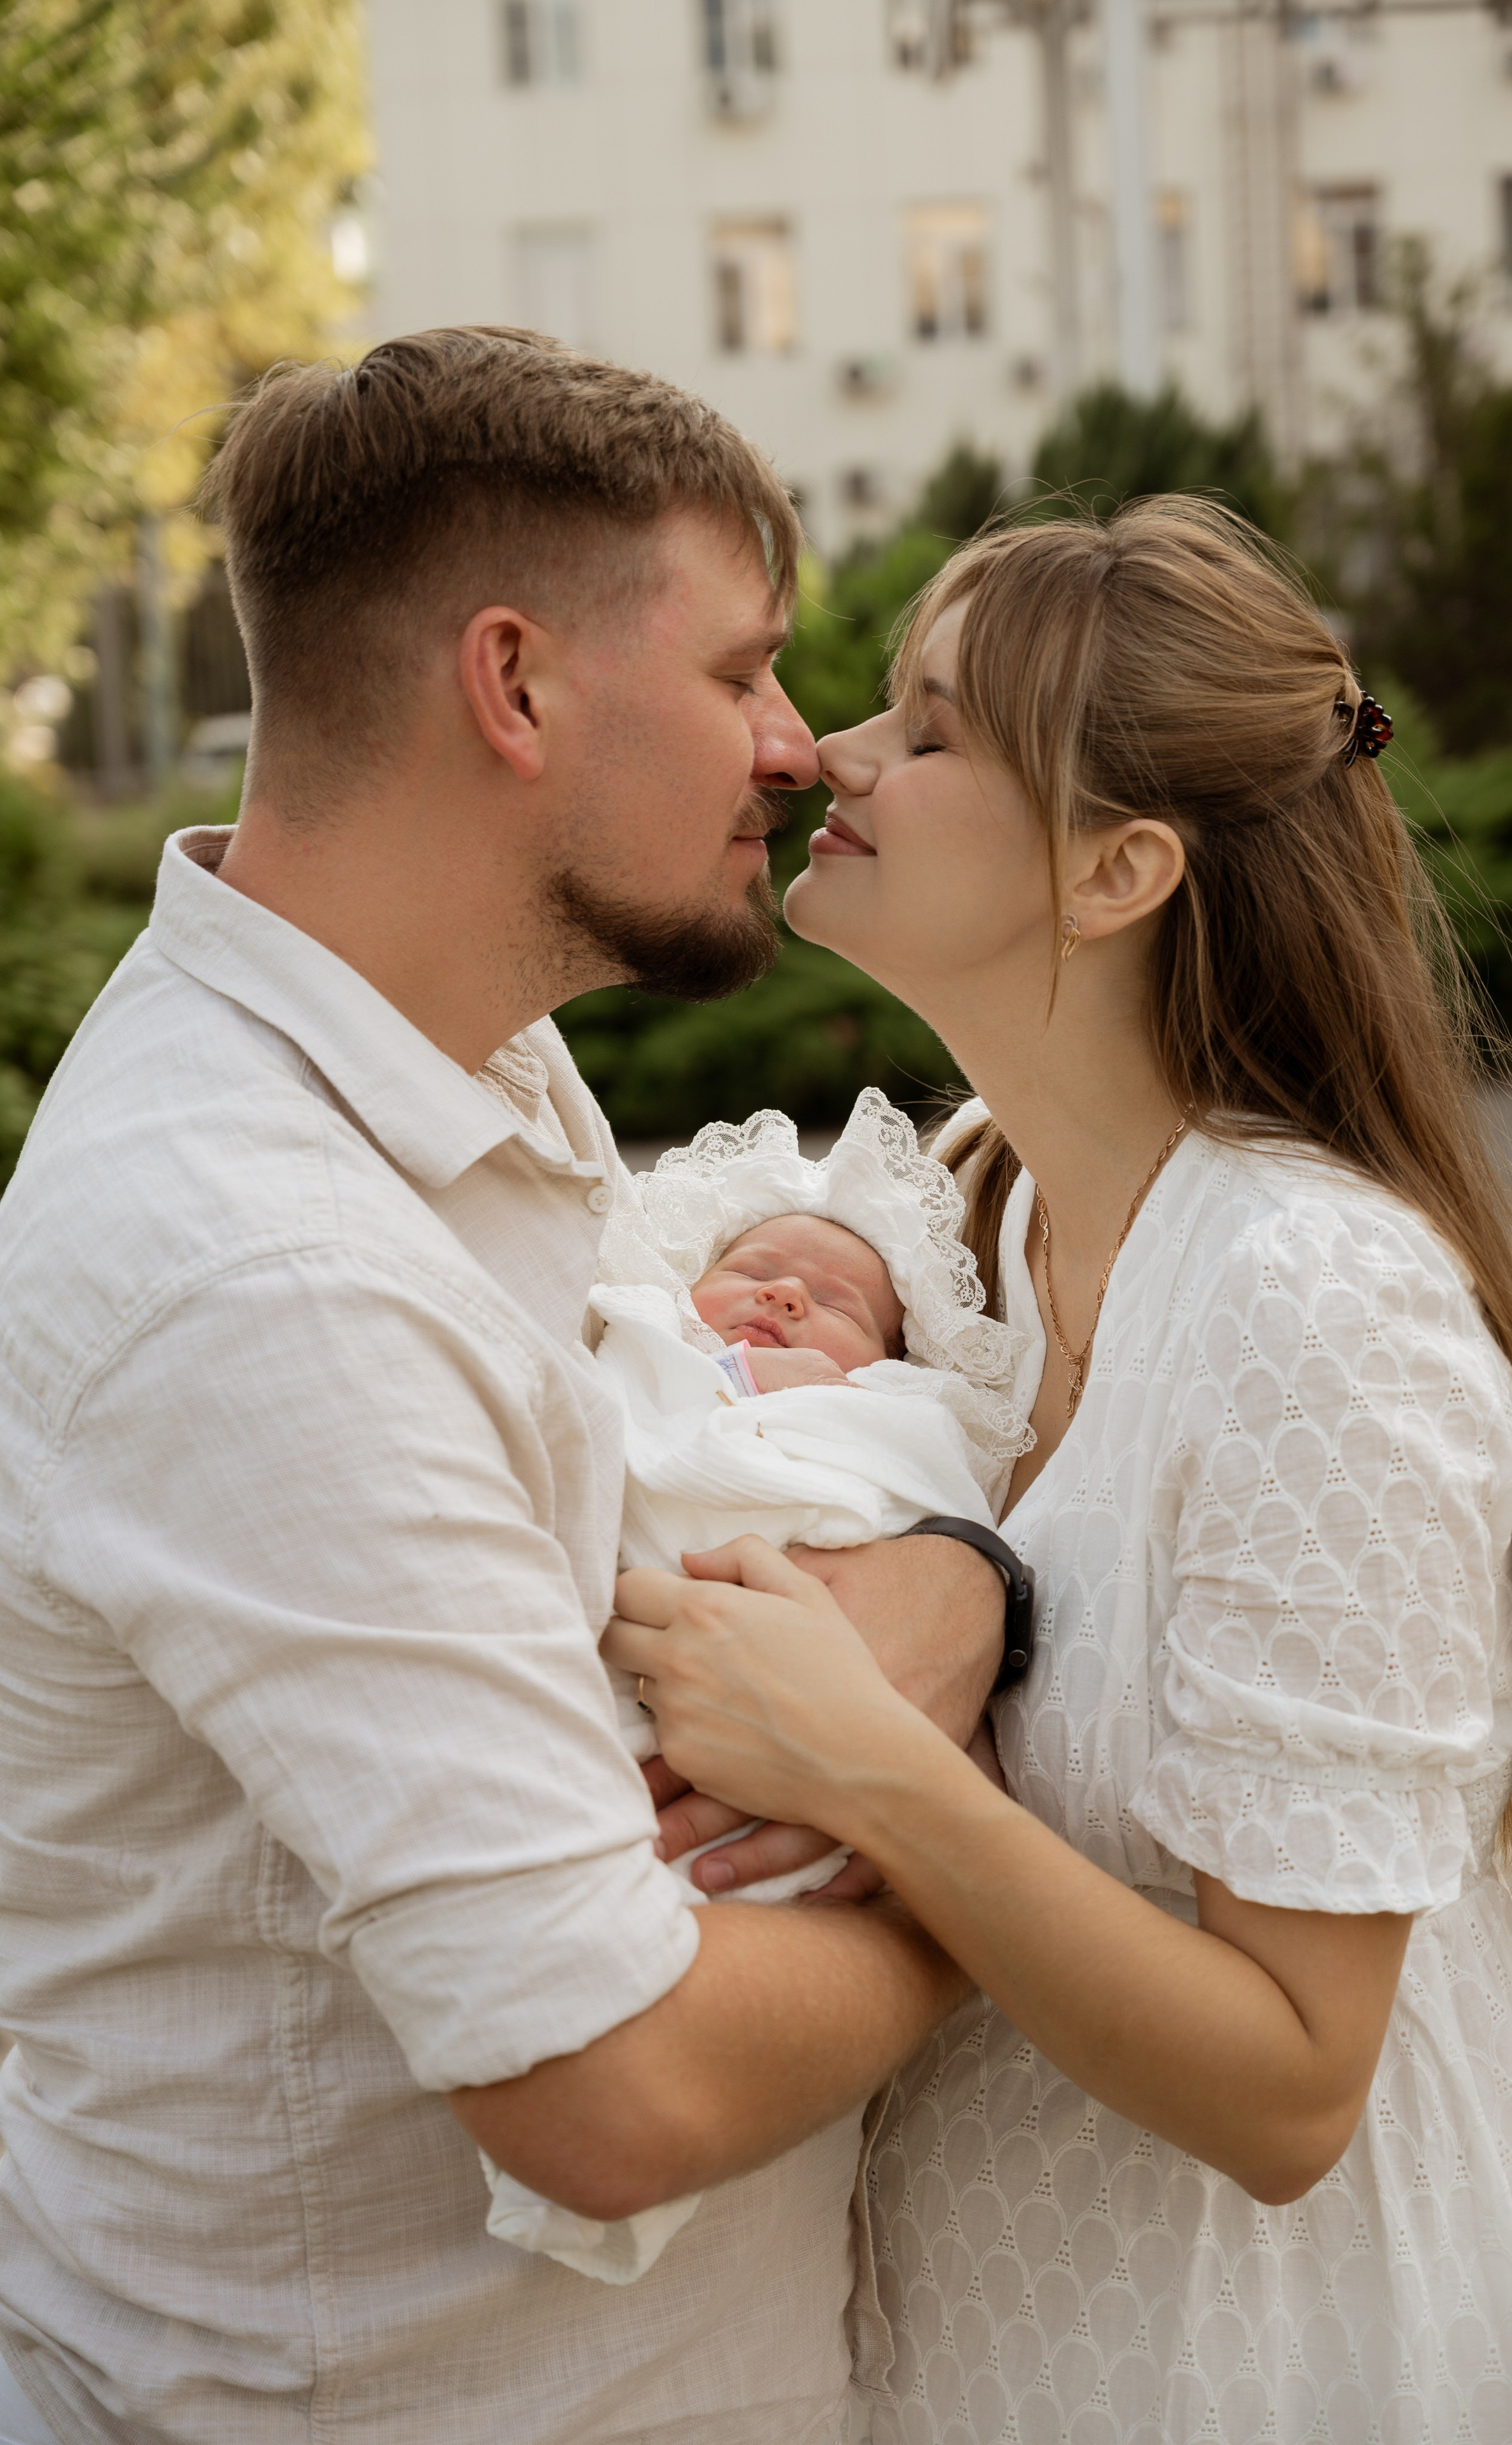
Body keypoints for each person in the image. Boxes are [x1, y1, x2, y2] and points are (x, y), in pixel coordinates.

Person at [0, 330, 1015, 2445]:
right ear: (518, 684)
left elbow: (690, 1449)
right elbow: (610, 2081)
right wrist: (1005, 1877)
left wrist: (954, 1573)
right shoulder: (259, 1268)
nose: (795, 746)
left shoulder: (452, 1045)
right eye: (739, 669)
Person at [611, 501, 1512, 2441]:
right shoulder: (981, 1209)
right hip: (1016, 2356)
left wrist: (867, 1764)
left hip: (1293, 2369)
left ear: (1120, 868)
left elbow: (1294, 2090)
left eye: (930, 729)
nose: (833, 753)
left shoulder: (1316, 1302)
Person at [486, 1088, 1034, 2283]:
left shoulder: (890, 1416)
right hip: (629, 1660)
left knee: (742, 1879)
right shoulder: (637, 1336)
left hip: (799, 1656)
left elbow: (924, 1495)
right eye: (754, 1270)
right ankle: (601, 2079)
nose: (786, 1296)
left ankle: (650, 2082)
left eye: (838, 1305)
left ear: (892, 1362)